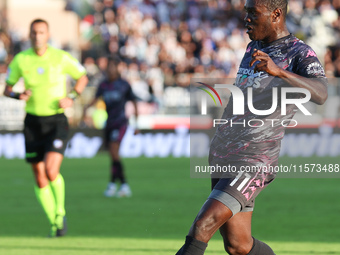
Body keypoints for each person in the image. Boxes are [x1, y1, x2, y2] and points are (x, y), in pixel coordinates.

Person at [176, 0, 328, 254]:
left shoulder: (298, 52)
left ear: (276, 14)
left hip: (254, 159)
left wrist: (279, 72)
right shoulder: (252, 47)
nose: (246, 19)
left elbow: (322, 93)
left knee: (203, 225)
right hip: (224, 154)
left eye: (252, 13)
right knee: (238, 245)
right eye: (245, 12)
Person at [4, 19, 88, 237]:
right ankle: (55, 223)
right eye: (34, 32)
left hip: (56, 121)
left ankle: (60, 212)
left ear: (47, 34)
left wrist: (72, 97)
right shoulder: (21, 60)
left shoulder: (60, 57)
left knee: (51, 171)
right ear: (29, 35)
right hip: (32, 122)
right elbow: (7, 89)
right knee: (39, 175)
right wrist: (17, 95)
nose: (37, 36)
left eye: (41, 32)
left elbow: (82, 77)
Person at [85, 56, 138, 198]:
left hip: (120, 122)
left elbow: (134, 102)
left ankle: (124, 185)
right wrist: (86, 110)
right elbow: (95, 100)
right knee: (113, 155)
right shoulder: (103, 85)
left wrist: (136, 123)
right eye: (108, 68)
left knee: (114, 152)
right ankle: (113, 184)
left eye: (112, 67)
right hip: (109, 122)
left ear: (117, 69)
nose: (110, 70)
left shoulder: (123, 84)